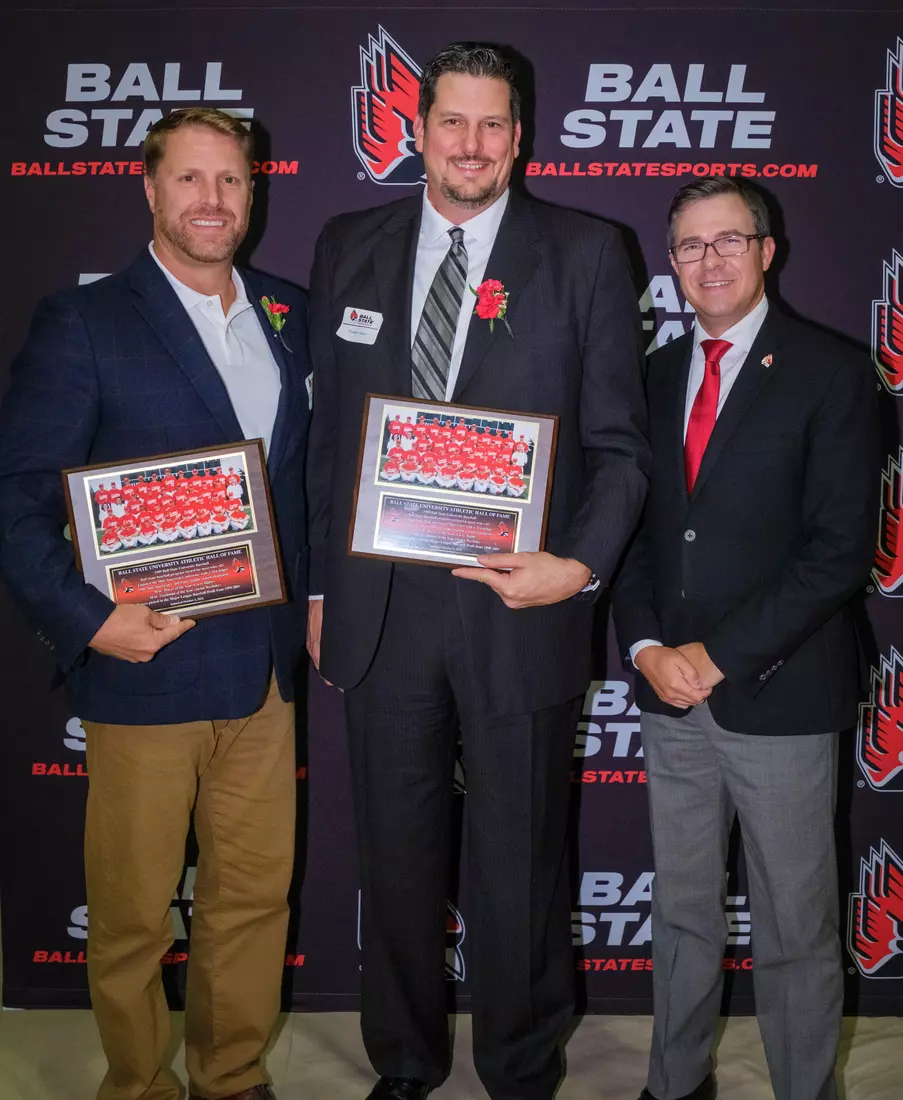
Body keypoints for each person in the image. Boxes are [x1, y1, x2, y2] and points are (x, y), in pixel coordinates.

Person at [306, 42, 648, 1100]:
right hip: (384, 608)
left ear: (521, 134)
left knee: (521, 860)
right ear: (417, 128)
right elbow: (328, 444)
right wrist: (321, 588)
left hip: (522, 603)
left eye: (492, 124)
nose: (470, 144)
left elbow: (623, 449)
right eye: (451, 121)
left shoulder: (589, 250)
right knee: (397, 862)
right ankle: (402, 1066)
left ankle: (518, 1066)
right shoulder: (349, 243)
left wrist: (579, 566)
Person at [0, 107, 310, 1100]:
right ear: (149, 188)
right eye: (190, 179)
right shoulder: (85, 319)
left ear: (254, 190)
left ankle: (230, 1072)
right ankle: (137, 1081)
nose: (212, 200)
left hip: (262, 671)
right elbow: (16, 498)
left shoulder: (289, 314)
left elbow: (307, 484)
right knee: (134, 911)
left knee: (253, 897)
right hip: (144, 665)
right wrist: (90, 620)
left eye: (231, 180)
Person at [611, 176, 880, 1100]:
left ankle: (804, 1089)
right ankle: (673, 1083)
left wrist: (715, 656)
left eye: (730, 241)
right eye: (690, 246)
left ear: (768, 251)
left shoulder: (833, 370)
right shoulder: (647, 374)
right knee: (680, 914)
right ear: (672, 263)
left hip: (779, 693)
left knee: (794, 927)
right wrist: (648, 649)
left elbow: (839, 552)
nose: (710, 260)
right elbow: (633, 535)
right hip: (669, 695)